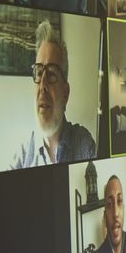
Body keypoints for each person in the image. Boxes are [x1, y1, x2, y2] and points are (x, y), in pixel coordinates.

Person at [10, 18, 95, 168]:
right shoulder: (22, 154)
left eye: (51, 74)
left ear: (65, 93)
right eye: (39, 72)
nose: (42, 85)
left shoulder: (83, 143)